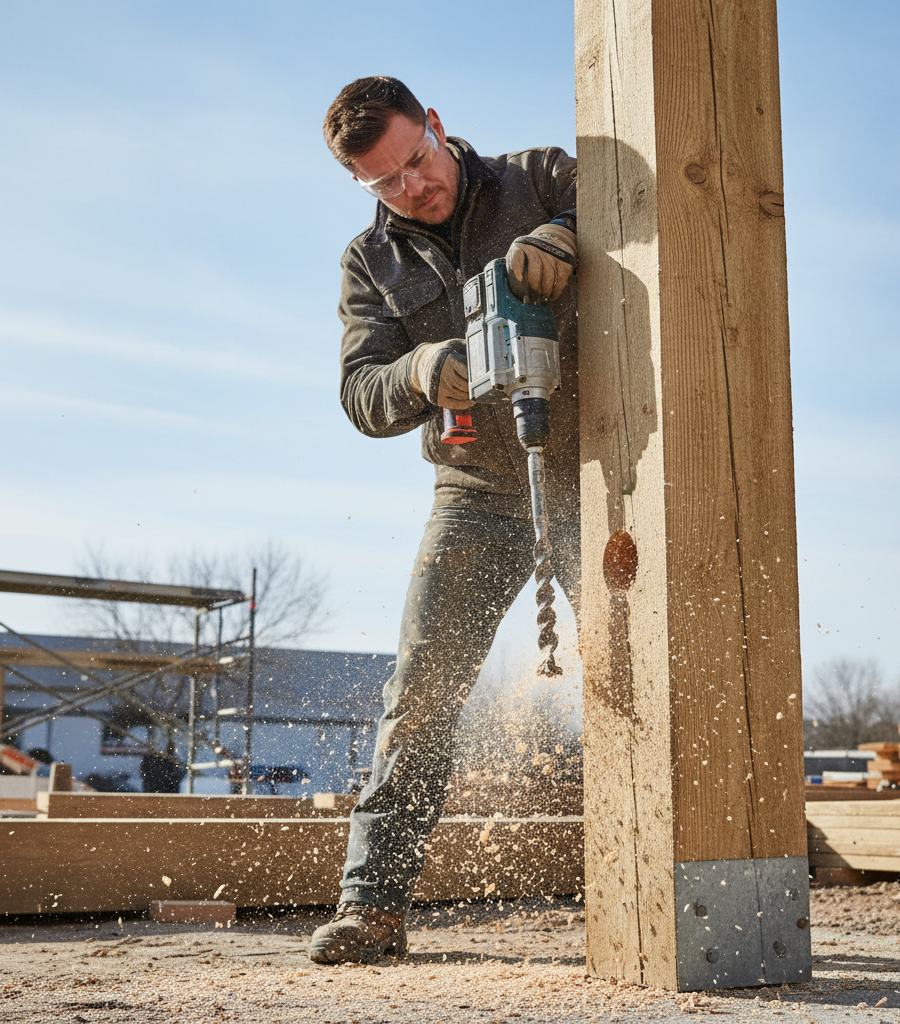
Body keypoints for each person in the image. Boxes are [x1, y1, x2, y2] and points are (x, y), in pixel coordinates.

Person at [309, 76, 581, 965]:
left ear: (436, 125)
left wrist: (568, 234)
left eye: (415, 164)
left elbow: (659, 226)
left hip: (605, 471)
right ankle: (372, 906)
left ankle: (683, 862)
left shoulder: (539, 178)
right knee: (421, 692)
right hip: (473, 489)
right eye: (384, 184)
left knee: (642, 672)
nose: (412, 189)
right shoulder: (368, 264)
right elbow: (359, 393)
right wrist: (421, 367)